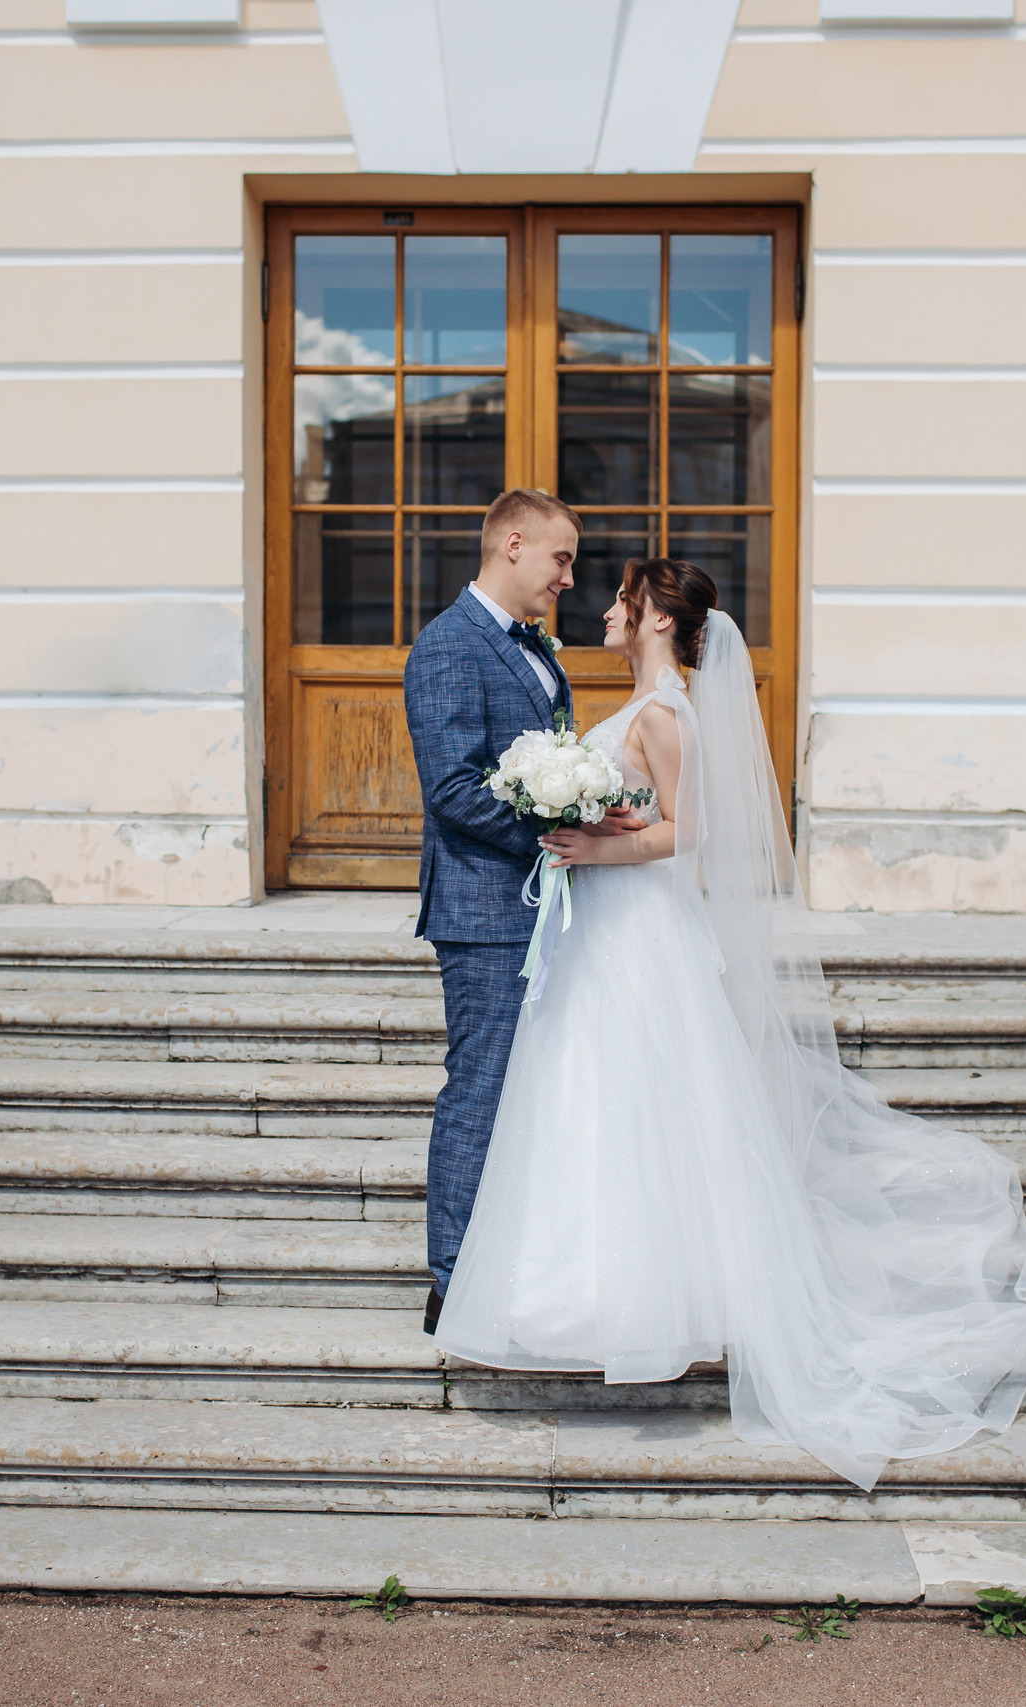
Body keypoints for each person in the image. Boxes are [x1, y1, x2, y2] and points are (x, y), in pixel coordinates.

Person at [432, 558, 1026, 1491]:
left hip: (639, 932)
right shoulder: (646, 706)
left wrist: (592, 846)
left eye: (624, 599)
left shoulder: (665, 712)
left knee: (644, 1105)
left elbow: (691, 833)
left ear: (655, 619)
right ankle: (583, 1295)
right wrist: (599, 825)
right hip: (608, 931)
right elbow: (652, 815)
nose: (607, 607)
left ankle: (651, 1302)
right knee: (599, 1103)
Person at [402, 488, 632, 1335]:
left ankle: (514, 1265)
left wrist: (591, 816)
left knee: (531, 1094)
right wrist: (555, 834)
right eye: (560, 558)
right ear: (513, 544)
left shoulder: (534, 648)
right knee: (483, 1089)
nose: (569, 578)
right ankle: (453, 1280)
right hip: (484, 909)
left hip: (539, 905)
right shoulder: (448, 645)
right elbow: (453, 787)